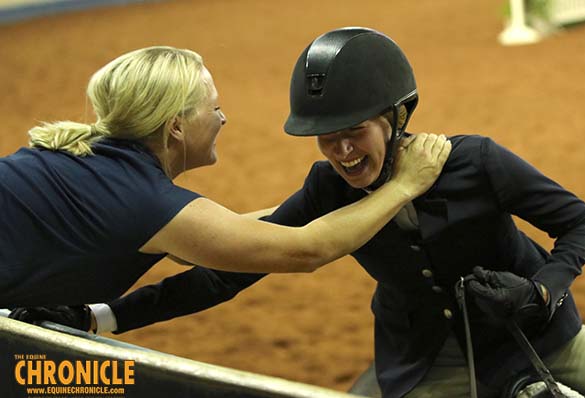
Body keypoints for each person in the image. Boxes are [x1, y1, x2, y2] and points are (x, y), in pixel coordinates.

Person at [9, 29, 585, 398]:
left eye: (355, 133)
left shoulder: (478, 160)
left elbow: (582, 220)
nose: (342, 153)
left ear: (396, 117)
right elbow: (227, 272)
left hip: (548, 338)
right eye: (327, 139)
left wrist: (543, 292)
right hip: (426, 362)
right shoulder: (326, 189)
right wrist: (105, 320)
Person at [0, 45, 451, 308]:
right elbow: (307, 250)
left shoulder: (96, 164)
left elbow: (220, 236)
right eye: (212, 107)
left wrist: (333, 202)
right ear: (175, 126)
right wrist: (403, 186)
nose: (223, 118)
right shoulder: (144, 202)